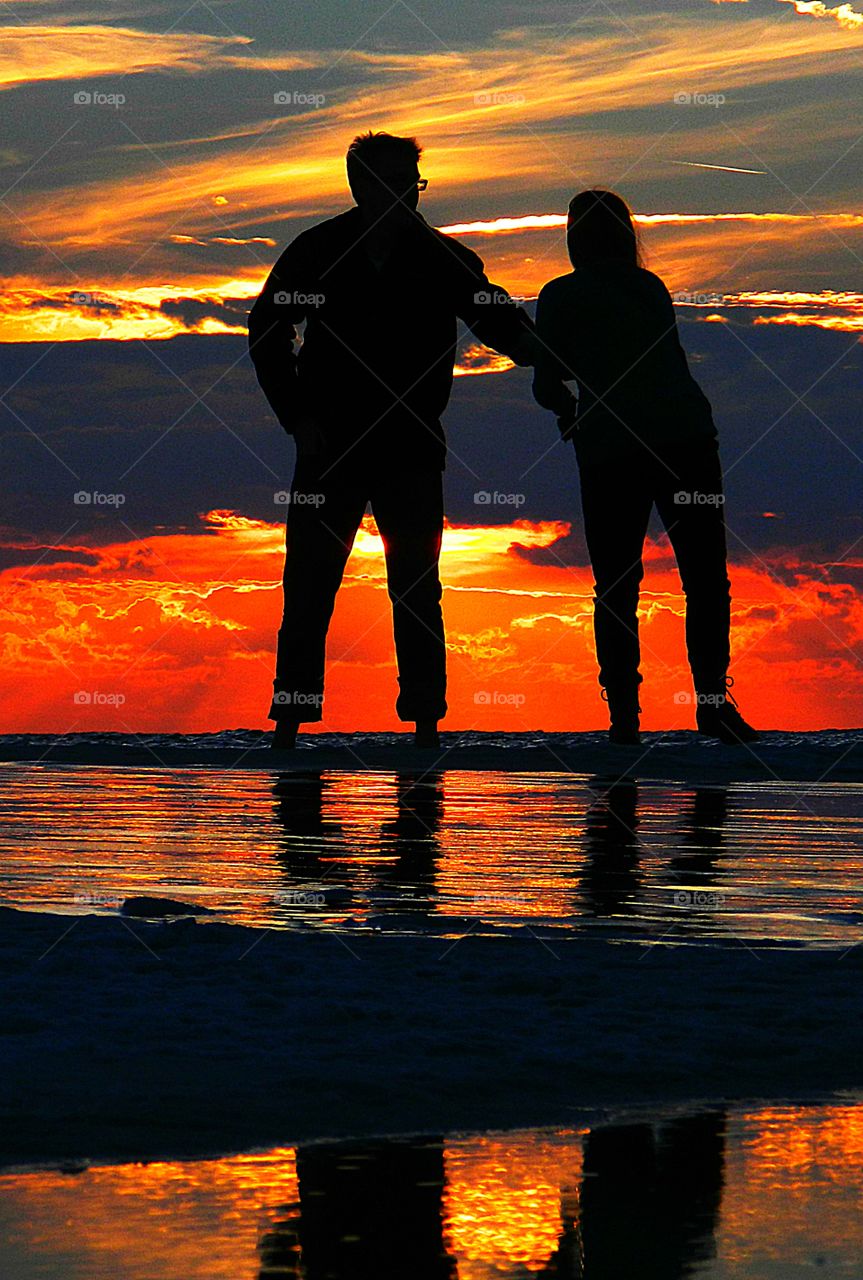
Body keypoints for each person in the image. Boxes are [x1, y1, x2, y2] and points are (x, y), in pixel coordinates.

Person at [248, 131, 537, 750]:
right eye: (389, 182)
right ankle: (289, 732)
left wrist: (557, 356)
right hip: (330, 447)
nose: (403, 195)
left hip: (410, 444)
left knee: (415, 584)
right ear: (359, 185)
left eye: (412, 184)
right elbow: (267, 327)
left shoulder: (440, 258)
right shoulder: (318, 250)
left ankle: (427, 727)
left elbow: (498, 320)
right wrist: (297, 416)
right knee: (309, 584)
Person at [532, 188, 758, 746]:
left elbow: (547, 379)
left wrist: (567, 409)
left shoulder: (559, 295)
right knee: (706, 580)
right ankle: (712, 705)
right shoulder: (649, 287)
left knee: (616, 585)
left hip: (611, 451)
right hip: (686, 440)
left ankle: (624, 718)